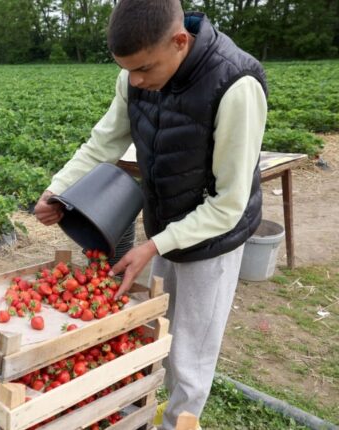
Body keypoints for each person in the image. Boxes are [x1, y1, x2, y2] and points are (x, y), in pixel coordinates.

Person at [34, 1, 267, 429]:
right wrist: (57, 189)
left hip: (215, 238)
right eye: (128, 71)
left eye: (143, 69)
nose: (136, 81)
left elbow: (229, 204)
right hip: (164, 220)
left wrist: (152, 246)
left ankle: (180, 420)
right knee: (158, 326)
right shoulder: (137, 74)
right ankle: (140, 408)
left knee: (191, 352)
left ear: (180, 42)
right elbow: (104, 141)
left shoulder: (235, 85)